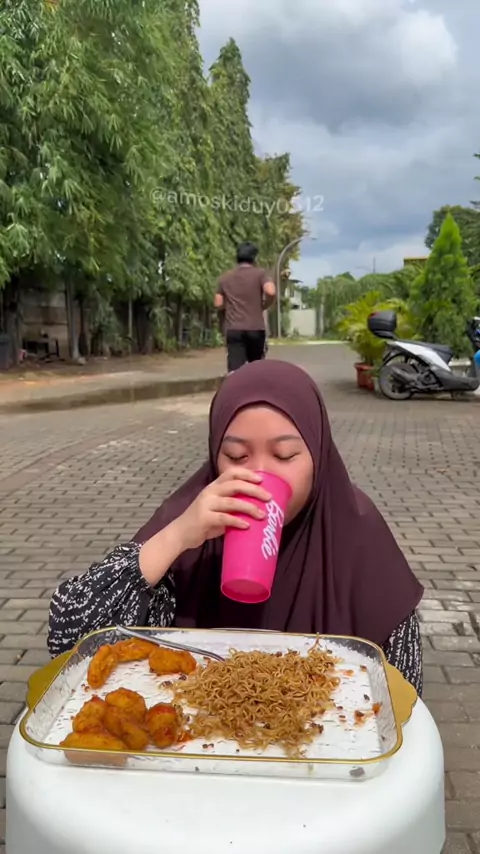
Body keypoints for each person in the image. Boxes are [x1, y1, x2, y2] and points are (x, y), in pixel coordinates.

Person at [48, 360, 424, 693]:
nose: (258, 476)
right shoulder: (190, 519)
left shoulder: (358, 532)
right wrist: (176, 537)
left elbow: (404, 691)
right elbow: (67, 640)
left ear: (318, 453)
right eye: (236, 456)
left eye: (285, 455)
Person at [214, 242, 276, 372]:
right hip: (256, 329)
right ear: (254, 257)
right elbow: (270, 291)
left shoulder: (225, 277)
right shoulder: (260, 274)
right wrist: (265, 305)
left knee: (235, 371)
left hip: (234, 328)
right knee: (256, 369)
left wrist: (231, 307)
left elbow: (218, 304)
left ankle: (235, 385)